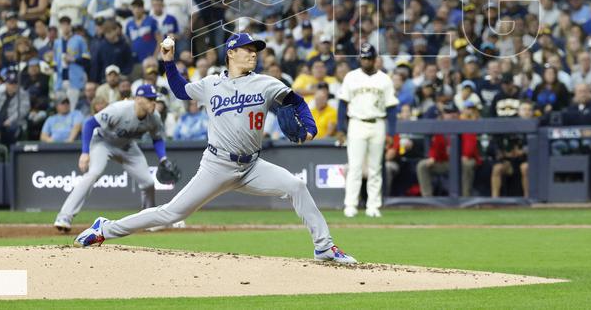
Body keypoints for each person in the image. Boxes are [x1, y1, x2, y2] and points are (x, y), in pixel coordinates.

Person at [73, 32, 357, 265]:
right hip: (217, 165)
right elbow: (181, 90)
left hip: (252, 166)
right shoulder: (211, 84)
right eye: (247, 49)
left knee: (296, 186)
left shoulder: (266, 83)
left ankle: (324, 247)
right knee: (172, 213)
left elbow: (296, 101)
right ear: (231, 53)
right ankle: (105, 228)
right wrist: (168, 62)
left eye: (255, 50)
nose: (253, 54)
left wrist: (310, 128)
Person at [54, 84, 169, 232]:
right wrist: (85, 152)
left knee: (148, 182)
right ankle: (64, 216)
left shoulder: (154, 117)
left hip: (127, 145)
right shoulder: (119, 109)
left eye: (155, 99)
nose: (154, 103)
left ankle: (149, 219)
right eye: (150, 99)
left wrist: (163, 158)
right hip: (103, 142)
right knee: (93, 174)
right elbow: (89, 124)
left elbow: (157, 139)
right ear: (138, 99)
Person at [337, 42, 397, 218]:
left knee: (375, 168)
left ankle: (373, 205)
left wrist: (391, 132)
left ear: (375, 59)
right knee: (354, 167)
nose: (366, 61)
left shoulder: (384, 79)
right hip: (356, 123)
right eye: (363, 58)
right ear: (360, 59)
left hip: (378, 123)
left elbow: (391, 108)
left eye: (369, 58)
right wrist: (340, 128)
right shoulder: (351, 77)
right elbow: (342, 104)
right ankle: (350, 204)